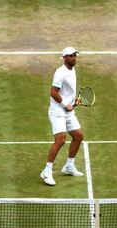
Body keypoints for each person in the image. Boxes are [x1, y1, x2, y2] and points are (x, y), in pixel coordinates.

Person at [40, 47, 84, 186]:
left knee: (78, 136)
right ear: (64, 58)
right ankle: (47, 171)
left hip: (68, 111)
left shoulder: (72, 70)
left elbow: (67, 91)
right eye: (70, 56)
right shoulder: (60, 73)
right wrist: (66, 104)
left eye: (74, 56)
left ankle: (69, 166)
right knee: (60, 139)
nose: (73, 58)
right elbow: (53, 92)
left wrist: (74, 100)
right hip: (57, 111)